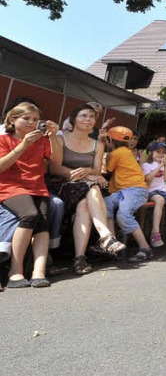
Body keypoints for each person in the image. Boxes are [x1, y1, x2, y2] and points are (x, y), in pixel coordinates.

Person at [48, 104, 126, 275]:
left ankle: (79, 258)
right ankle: (105, 236)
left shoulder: (97, 144)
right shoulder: (62, 139)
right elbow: (54, 168)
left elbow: (97, 171)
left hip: (84, 187)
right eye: (83, 116)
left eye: (91, 117)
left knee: (84, 204)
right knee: (93, 186)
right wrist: (78, 174)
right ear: (73, 119)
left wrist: (88, 171)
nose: (88, 119)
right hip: (62, 185)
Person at [0, 102, 61, 288]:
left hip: (37, 187)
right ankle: (15, 272)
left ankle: (38, 272)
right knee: (30, 215)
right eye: (26, 118)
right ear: (12, 119)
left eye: (35, 120)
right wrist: (23, 145)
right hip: (10, 187)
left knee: (42, 222)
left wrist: (53, 137)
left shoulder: (41, 140)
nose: (31, 123)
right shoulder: (4, 139)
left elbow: (57, 161)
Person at [104, 126, 153, 263]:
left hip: (135, 190)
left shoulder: (116, 153)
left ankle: (145, 248)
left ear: (110, 140)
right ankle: (112, 243)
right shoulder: (126, 151)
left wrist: (107, 151)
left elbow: (108, 169)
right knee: (105, 203)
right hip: (124, 190)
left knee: (123, 215)